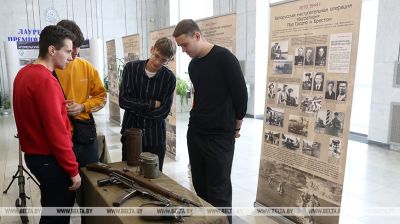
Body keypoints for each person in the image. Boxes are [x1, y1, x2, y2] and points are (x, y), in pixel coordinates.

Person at [173, 19, 248, 223]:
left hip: (219, 135)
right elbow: (200, 95)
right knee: (200, 186)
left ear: (197, 36)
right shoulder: (194, 65)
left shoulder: (225, 58)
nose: (183, 50)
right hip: (196, 131)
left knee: (219, 190)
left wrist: (236, 125)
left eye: (185, 45)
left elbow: (240, 95)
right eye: (180, 46)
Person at [13, 25, 80, 224]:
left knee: (51, 206)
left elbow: (33, 112)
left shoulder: (24, 73)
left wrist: (58, 105)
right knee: (57, 215)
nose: (70, 57)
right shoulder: (46, 80)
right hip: (49, 159)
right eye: (67, 51)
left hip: (34, 157)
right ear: (52, 50)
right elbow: (57, 133)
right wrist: (73, 170)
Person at [55, 20, 106, 168]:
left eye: (78, 46)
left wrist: (83, 107)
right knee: (65, 185)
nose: (76, 51)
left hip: (85, 134)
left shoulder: (86, 66)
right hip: (60, 136)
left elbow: (101, 97)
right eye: (72, 47)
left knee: (91, 181)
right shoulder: (46, 70)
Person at [119, 37, 176, 171]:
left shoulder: (169, 78)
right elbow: (123, 101)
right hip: (131, 133)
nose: (157, 62)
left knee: (154, 179)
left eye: (163, 60)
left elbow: (163, 112)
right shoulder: (131, 68)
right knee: (129, 174)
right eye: (156, 56)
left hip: (155, 137)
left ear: (169, 60)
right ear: (152, 49)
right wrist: (151, 104)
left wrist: (135, 107)